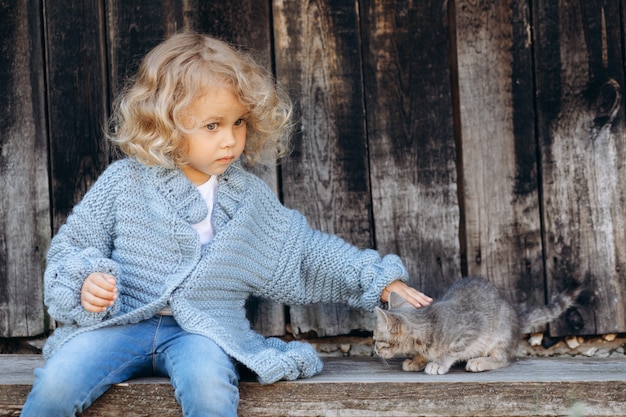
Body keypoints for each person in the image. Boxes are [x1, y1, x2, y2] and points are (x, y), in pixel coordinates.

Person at [21, 32, 432, 416]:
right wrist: (86, 281)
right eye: (212, 126)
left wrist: (377, 280)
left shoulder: (247, 198)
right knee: (57, 382)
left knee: (210, 387)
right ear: (165, 123)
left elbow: (304, 254)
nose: (229, 140)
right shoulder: (124, 182)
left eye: (238, 122)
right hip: (121, 323)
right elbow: (69, 249)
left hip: (203, 332)